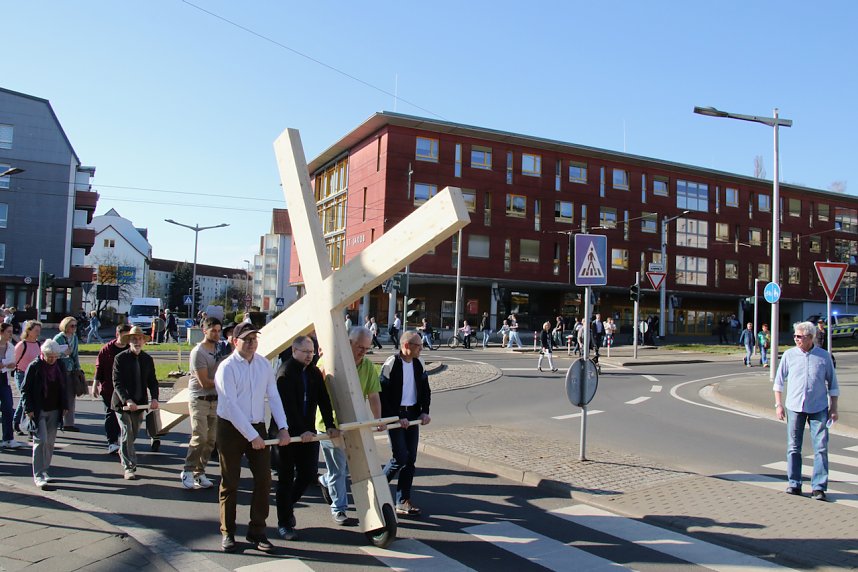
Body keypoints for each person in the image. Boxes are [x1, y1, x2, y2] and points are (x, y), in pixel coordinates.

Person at [215, 322, 290, 553]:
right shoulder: (226, 368)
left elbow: (273, 396)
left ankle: (257, 531)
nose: (251, 344)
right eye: (246, 339)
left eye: (254, 339)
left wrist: (283, 427)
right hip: (230, 427)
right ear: (234, 341)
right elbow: (230, 405)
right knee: (231, 482)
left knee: (264, 480)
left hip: (256, 425)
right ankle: (228, 532)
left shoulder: (263, 364)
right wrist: (251, 435)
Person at [273, 335, 337, 540]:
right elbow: (288, 407)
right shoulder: (285, 372)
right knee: (285, 477)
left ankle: (286, 506)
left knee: (308, 473)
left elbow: (323, 399)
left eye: (312, 352)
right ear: (294, 351)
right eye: (306, 352)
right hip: (285, 433)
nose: (310, 356)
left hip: (307, 433)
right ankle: (284, 523)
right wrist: (300, 431)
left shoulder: (314, 372)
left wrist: (330, 425)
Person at [317, 326, 383, 525]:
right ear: (348, 343)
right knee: (339, 468)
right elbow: (315, 392)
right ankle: (339, 509)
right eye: (360, 347)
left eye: (367, 348)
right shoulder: (328, 361)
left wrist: (378, 419)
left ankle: (325, 480)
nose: (363, 352)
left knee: (345, 467)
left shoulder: (368, 366)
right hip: (330, 425)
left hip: (354, 423)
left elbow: (373, 395)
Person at [774, 321, 839, 501]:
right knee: (793, 447)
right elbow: (778, 382)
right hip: (795, 406)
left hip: (819, 407)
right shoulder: (789, 355)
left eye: (799, 336)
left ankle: (818, 487)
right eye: (795, 336)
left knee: (821, 447)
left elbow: (833, 384)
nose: (796, 339)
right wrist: (778, 405)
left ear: (810, 337)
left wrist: (834, 408)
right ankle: (794, 483)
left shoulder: (824, 357)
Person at [380, 331, 431, 516]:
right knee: (400, 457)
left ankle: (402, 500)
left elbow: (425, 390)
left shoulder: (419, 363)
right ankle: (377, 487)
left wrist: (425, 411)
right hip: (395, 416)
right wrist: (395, 416)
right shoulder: (391, 363)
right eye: (418, 346)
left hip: (413, 415)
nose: (421, 349)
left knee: (410, 460)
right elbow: (382, 394)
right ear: (406, 346)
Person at [180, 317, 224, 490]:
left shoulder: (220, 349)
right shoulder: (198, 352)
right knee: (200, 437)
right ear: (204, 331)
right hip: (199, 399)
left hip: (215, 400)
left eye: (219, 331)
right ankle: (188, 470)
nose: (217, 334)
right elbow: (204, 382)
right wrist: (224, 382)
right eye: (213, 331)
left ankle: (200, 472)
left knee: (212, 439)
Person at [112, 326, 160, 480]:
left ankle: (124, 451)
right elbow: (117, 382)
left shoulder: (147, 359)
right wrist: (127, 400)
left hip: (140, 404)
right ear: (129, 341)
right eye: (134, 339)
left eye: (140, 339)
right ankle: (129, 467)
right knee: (127, 432)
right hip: (123, 405)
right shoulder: (120, 358)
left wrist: (154, 398)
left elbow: (152, 381)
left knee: (132, 435)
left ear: (144, 342)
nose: (137, 342)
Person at [21, 339, 68, 489]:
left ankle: (45, 470)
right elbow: (25, 389)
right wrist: (28, 408)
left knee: (49, 442)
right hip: (39, 409)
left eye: (55, 356)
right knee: (40, 440)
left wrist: (65, 405)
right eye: (49, 356)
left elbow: (64, 387)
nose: (52, 359)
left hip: (55, 409)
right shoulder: (35, 366)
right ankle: (38, 475)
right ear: (43, 354)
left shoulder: (60, 365)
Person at [92, 324, 131, 455]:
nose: (126, 339)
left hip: (125, 389)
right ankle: (112, 442)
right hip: (108, 388)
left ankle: (123, 440)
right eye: (124, 336)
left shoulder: (130, 349)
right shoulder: (107, 349)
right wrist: (95, 384)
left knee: (124, 415)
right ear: (117, 335)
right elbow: (99, 368)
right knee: (111, 414)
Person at [13, 320, 42, 435]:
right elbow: (14, 360)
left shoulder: (38, 344)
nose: (38, 333)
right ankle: (16, 422)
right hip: (21, 374)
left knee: (31, 399)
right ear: (28, 331)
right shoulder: (22, 345)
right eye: (36, 330)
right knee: (24, 398)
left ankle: (29, 425)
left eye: (39, 331)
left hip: (33, 375)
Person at [0, 324, 25, 449]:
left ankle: (8, 439)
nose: (10, 334)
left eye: (11, 331)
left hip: (4, 379)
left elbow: (12, 363)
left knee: (8, 408)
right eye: (8, 331)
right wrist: (5, 364)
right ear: (1, 332)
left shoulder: (10, 346)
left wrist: (5, 365)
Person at [54, 316, 81, 431]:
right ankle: (56, 420)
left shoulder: (74, 338)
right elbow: (52, 353)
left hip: (70, 370)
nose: (74, 328)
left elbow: (75, 354)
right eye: (72, 326)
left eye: (75, 326)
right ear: (65, 326)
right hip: (59, 369)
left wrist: (78, 368)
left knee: (70, 396)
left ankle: (69, 423)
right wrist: (63, 354)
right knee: (59, 395)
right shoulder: (58, 338)